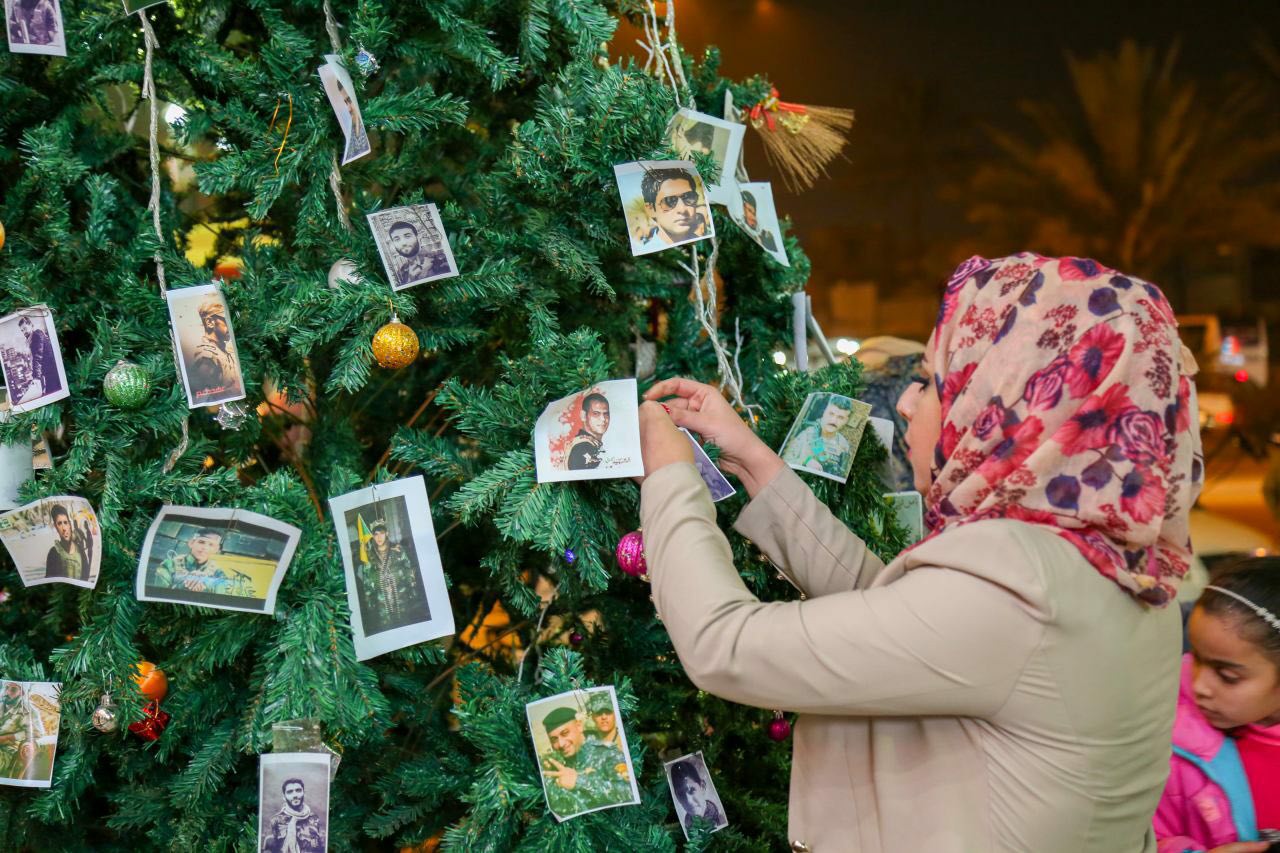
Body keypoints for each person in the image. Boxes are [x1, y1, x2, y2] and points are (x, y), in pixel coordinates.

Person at [635, 254, 1203, 852]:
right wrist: (755, 462)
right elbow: (891, 610)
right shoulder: (1106, 563)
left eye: (935, 381)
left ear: (1010, 402)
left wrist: (670, 477)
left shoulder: (1024, 591)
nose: (908, 404)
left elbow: (724, 646)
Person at [1153, 558, 1280, 853]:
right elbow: (1138, 839)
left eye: (1228, 677)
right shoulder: (1170, 747)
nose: (1200, 686)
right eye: (1197, 657)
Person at [538, 706, 632, 817]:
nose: (561, 743)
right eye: (554, 739)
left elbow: (629, 792)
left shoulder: (608, 753)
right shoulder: (558, 764)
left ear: (579, 726)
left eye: (565, 733)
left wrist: (579, 781)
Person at [355, 520, 427, 634]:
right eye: (376, 534)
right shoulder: (369, 557)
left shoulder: (398, 550)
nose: (379, 537)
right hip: (382, 603)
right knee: (388, 630)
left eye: (381, 533)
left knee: (407, 627)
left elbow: (409, 570)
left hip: (402, 598)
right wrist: (369, 602)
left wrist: (413, 590)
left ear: (387, 533)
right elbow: (367, 581)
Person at [780, 395, 855, 478]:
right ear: (824, 413)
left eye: (840, 417)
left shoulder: (844, 445)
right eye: (831, 414)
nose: (833, 420)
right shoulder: (805, 434)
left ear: (846, 421)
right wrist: (806, 461)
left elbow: (842, 474)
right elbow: (783, 461)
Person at [638, 168, 707, 250]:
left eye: (689, 197)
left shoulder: (702, 245)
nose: (682, 209)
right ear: (651, 209)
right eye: (669, 201)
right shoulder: (648, 252)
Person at [147, 528, 232, 593]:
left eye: (211, 544)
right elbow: (159, 593)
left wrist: (204, 584)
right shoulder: (169, 565)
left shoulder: (218, 573)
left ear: (216, 549)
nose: (205, 548)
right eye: (201, 542)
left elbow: (220, 596)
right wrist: (184, 585)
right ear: (191, 543)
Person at [188, 297, 241, 399]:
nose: (231, 325)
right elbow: (205, 396)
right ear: (210, 322)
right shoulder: (206, 356)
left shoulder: (224, 352)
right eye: (226, 320)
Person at [261, 776, 325, 853]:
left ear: (304, 793)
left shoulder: (314, 818)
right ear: (284, 797)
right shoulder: (276, 820)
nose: (295, 795)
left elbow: (316, 846)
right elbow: (277, 847)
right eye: (290, 792)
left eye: (298, 790)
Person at [668, 757, 726, 835]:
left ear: (702, 786)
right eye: (681, 794)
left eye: (692, 790)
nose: (688, 801)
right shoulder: (681, 831)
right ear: (677, 796)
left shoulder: (721, 821)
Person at [383, 218, 450, 286]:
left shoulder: (441, 259)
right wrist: (410, 280)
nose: (403, 243)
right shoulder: (401, 272)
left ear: (417, 237)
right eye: (397, 239)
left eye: (407, 236)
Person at [17, 314, 59, 400]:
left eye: (25, 328)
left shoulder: (36, 335)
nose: (24, 332)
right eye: (22, 330)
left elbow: (37, 357)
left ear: (31, 325)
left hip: (52, 371)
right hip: (49, 371)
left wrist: (36, 377)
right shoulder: (33, 338)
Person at [44, 503, 88, 581]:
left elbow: (86, 577)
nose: (64, 528)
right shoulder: (54, 553)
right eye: (59, 524)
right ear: (56, 527)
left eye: (65, 522)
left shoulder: (80, 551)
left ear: (70, 525)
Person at [0, 681, 34, 781]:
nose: (7, 692)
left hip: (7, 751)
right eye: (6, 688)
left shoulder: (27, 710)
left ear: (22, 693)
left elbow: (36, 732)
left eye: (13, 689)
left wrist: (8, 737)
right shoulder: (1, 705)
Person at [566, 393, 610, 470]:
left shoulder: (590, 444)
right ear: (583, 415)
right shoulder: (583, 447)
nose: (603, 419)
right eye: (596, 414)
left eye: (606, 414)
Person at [333, 77, 370, 161]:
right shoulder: (347, 131)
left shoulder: (364, 124)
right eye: (345, 102)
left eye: (349, 100)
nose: (348, 108)